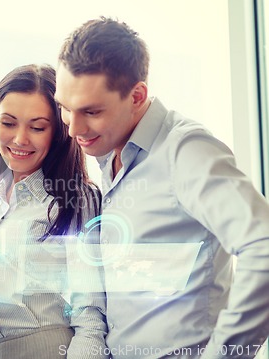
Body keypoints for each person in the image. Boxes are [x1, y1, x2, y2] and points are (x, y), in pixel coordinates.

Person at [54, 16, 269, 358]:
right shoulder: (110, 155)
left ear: (137, 96)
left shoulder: (186, 150)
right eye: (65, 108)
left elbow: (264, 245)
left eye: (91, 111)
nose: (73, 127)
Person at [0, 63, 106, 358]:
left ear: (59, 131)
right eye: (8, 123)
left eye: (37, 127)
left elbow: (90, 316)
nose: (20, 139)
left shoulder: (74, 199)